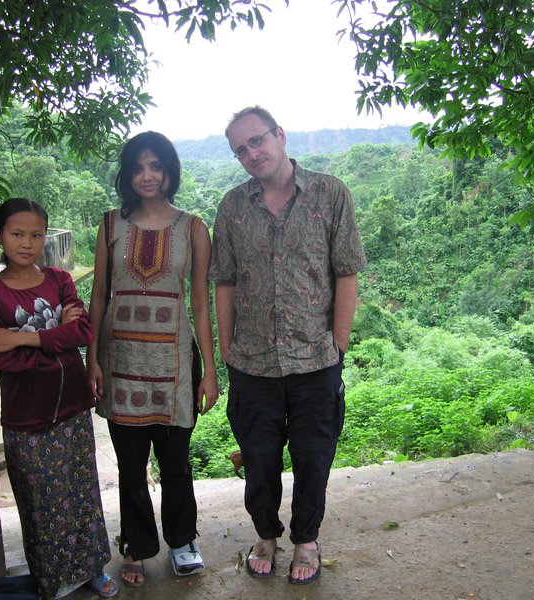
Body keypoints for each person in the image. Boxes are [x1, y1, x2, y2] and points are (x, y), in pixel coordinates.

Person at [209, 106, 367, 584]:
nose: (251, 153)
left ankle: (306, 541)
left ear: (279, 134)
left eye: (257, 140)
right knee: (258, 458)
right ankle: (265, 535)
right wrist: (226, 349)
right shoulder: (232, 207)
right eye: (240, 149)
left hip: (315, 358)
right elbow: (224, 282)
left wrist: (338, 342)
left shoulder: (330, 193)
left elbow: (346, 271)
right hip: (252, 362)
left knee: (313, 457)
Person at [87, 131, 218, 588]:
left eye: (156, 166)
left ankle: (182, 540)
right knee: (130, 466)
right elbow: (98, 296)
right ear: (127, 174)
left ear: (169, 172)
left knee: (176, 461)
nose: (147, 175)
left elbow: (200, 304)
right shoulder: (110, 225)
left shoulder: (194, 228)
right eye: (138, 167)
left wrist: (210, 371)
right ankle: (137, 546)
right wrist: (91, 359)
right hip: (120, 362)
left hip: (175, 366)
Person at [0, 198, 117, 599]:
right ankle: (53, 580)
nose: (27, 243)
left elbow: (83, 332)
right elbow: (0, 357)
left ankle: (92, 569)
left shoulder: (58, 280)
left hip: (72, 406)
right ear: (0, 236)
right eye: (17, 234)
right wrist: (56, 336)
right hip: (26, 416)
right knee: (41, 503)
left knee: (81, 493)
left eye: (36, 235)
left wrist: (23, 338)